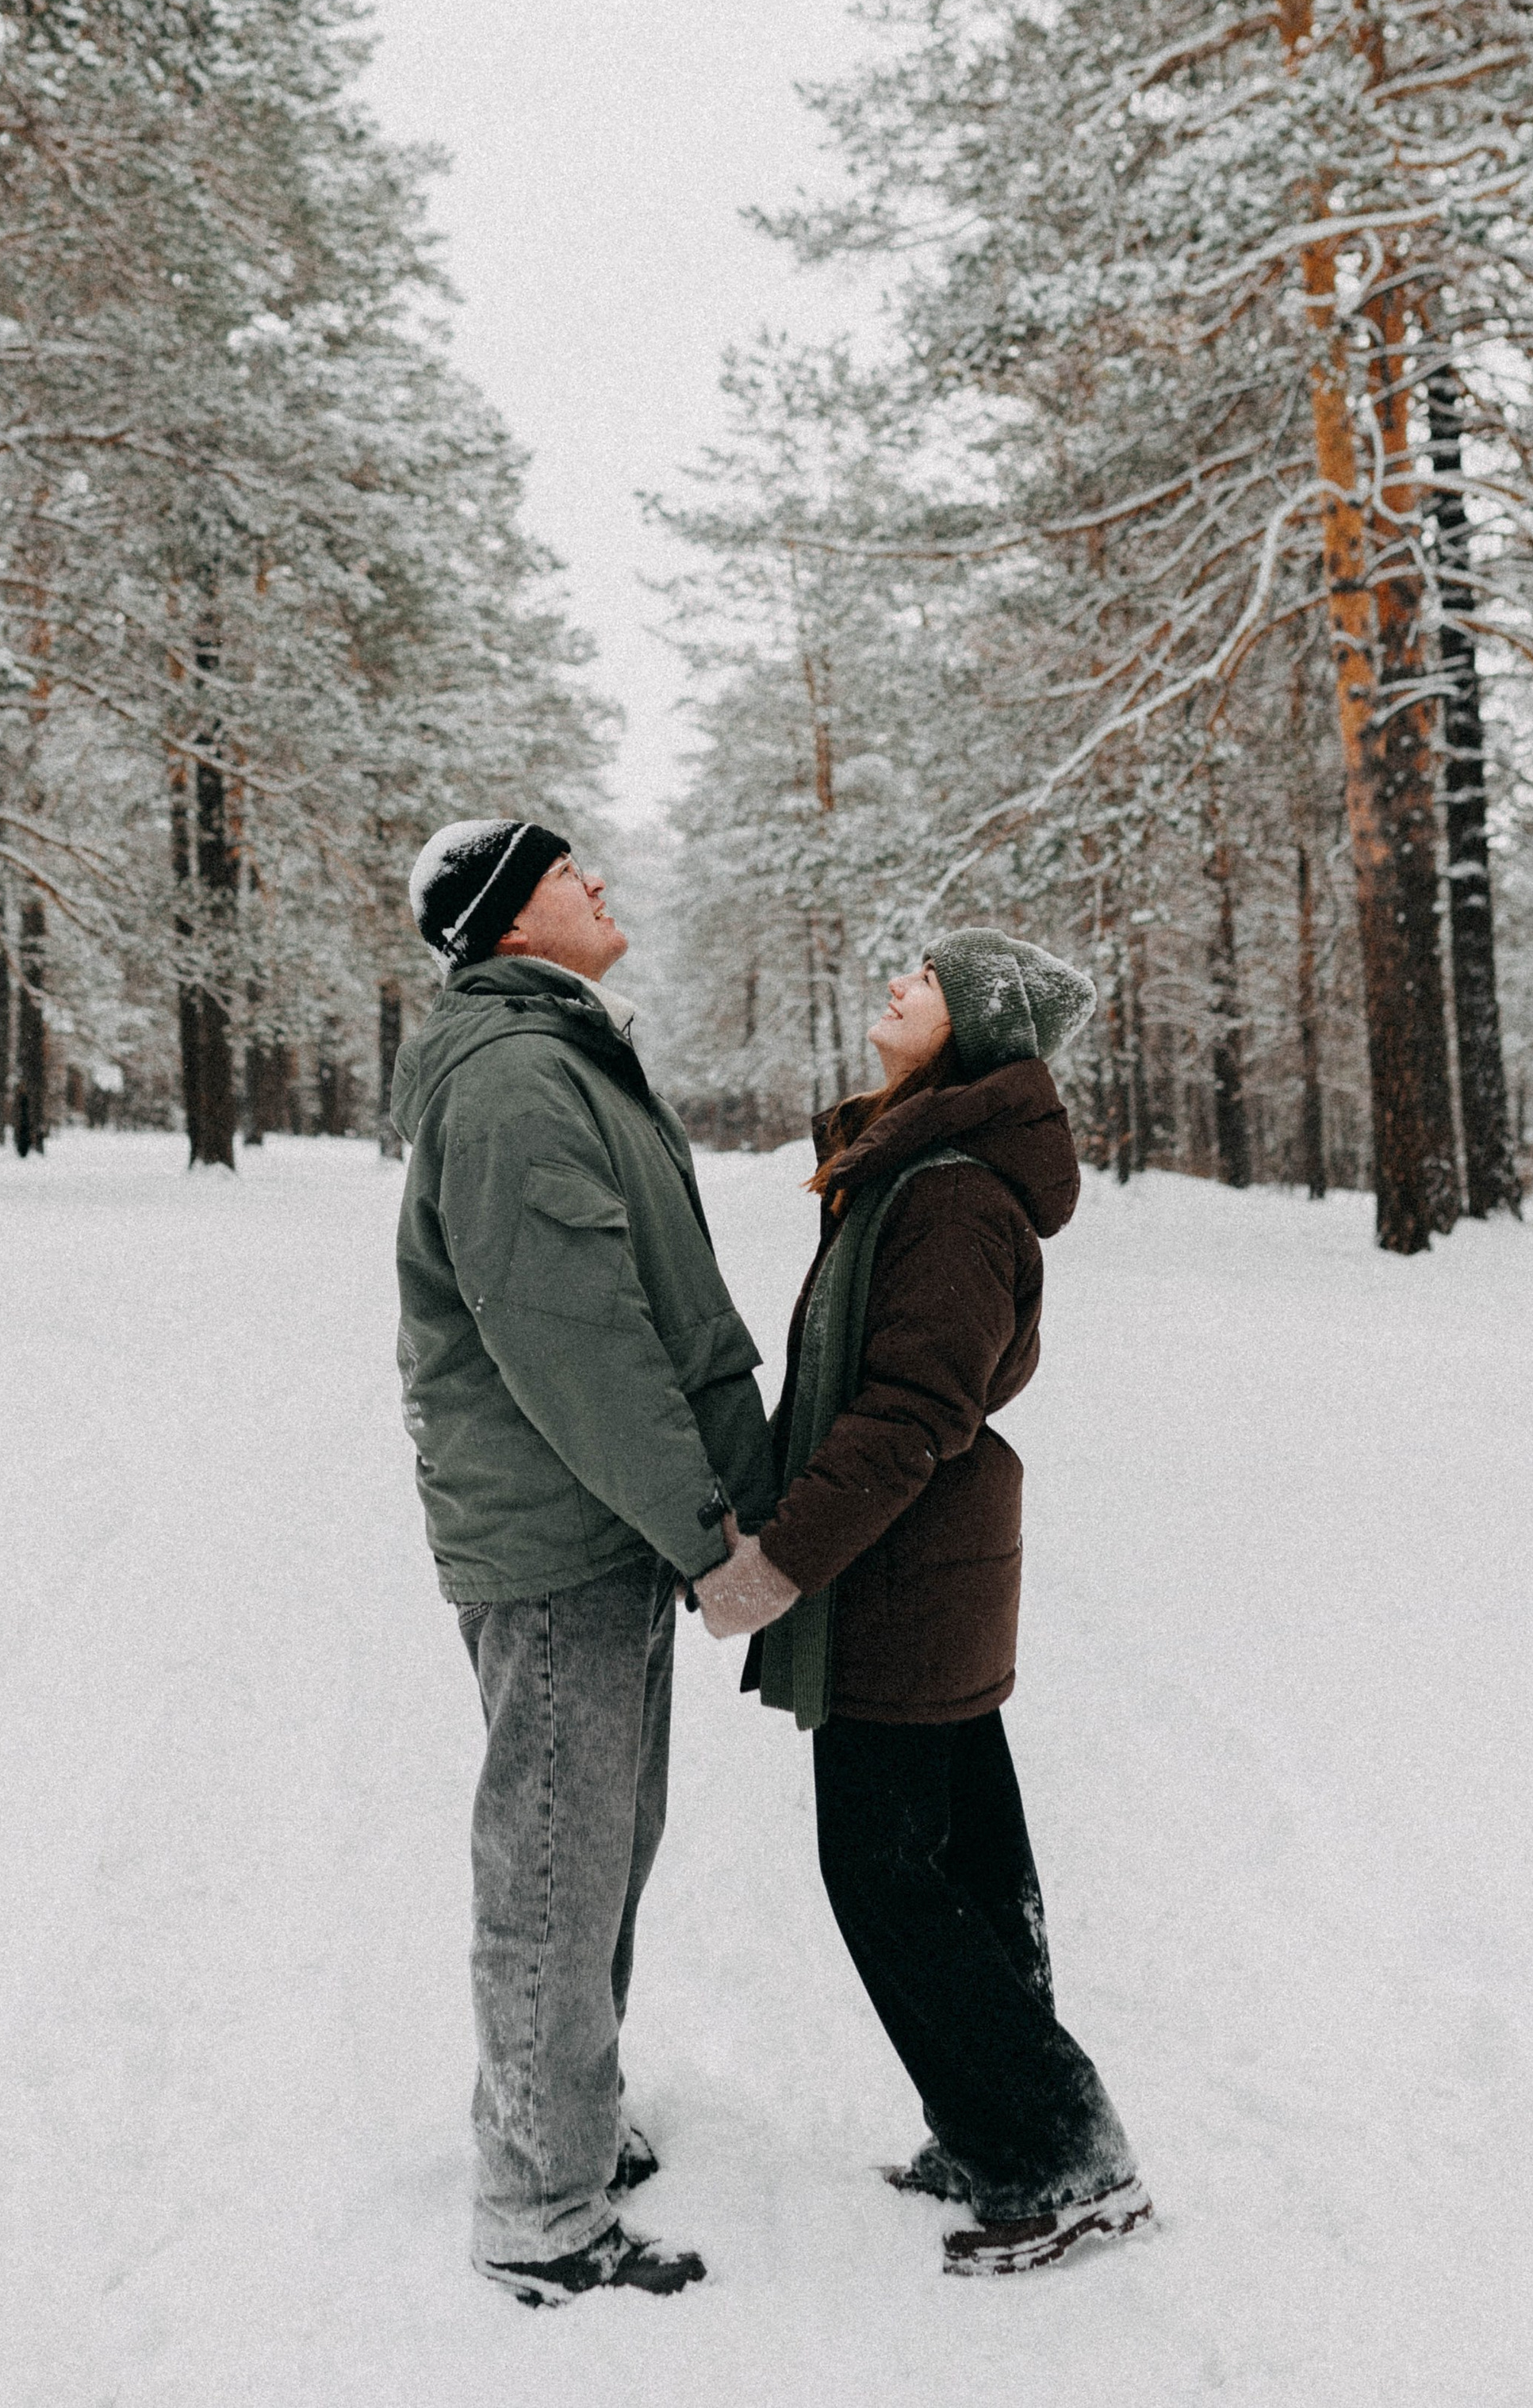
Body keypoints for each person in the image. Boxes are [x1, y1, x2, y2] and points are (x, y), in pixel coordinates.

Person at [693, 926, 1152, 2277]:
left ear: (972, 1031)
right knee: (964, 1862)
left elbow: (909, 1416)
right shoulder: (917, 1168)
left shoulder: (947, 1192)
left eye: (929, 980)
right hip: (926, 1567)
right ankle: (995, 2124)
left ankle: (1062, 2161)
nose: (900, 982)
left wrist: (775, 1562)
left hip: (903, 1575)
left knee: (886, 1876)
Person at [391, 817, 775, 2307]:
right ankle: (541, 2209)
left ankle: (569, 2128)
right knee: (554, 1865)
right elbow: (578, 1343)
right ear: (508, 924)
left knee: (598, 1846)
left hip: (597, 1530)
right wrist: (705, 1535)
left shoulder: (563, 1060)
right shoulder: (513, 1083)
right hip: (565, 1537)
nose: (601, 884)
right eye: (568, 876)